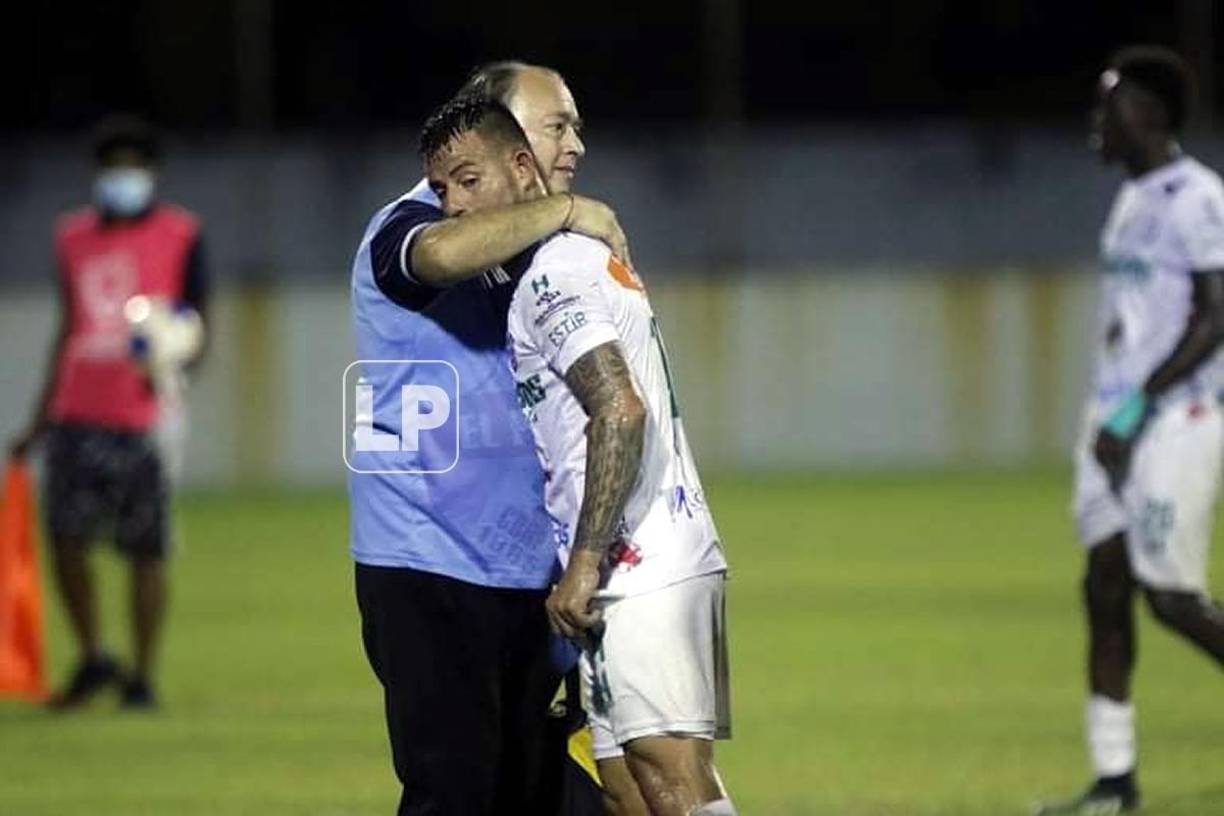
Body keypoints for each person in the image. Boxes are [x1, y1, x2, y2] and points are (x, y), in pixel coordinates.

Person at [420, 96, 735, 816]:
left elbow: (618, 408)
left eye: (468, 181)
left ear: (521, 168)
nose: (453, 203)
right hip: (637, 559)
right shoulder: (556, 261)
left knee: (671, 783)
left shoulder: (554, 273)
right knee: (626, 789)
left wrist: (586, 562)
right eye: (441, 190)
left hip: (640, 562)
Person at [349, 62, 643, 815]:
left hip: (531, 572)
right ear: (501, 136)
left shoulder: (543, 250)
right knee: (455, 793)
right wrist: (568, 211)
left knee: (543, 790)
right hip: (428, 567)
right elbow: (443, 256)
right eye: (556, 125)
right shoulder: (408, 223)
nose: (574, 143)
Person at [1038, 46, 1224, 814]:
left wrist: (1137, 405)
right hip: (1113, 421)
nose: (1096, 123)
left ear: (1143, 113)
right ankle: (1115, 781)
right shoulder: (1132, 197)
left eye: (1105, 107)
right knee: (1103, 586)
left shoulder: (1197, 197)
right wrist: (1109, 410)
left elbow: (1216, 316)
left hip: (1174, 417)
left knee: (1171, 597)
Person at [9, 114, 209, 710]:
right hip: (77, 410)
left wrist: (174, 370)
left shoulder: (180, 234)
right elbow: (68, 327)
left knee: (144, 548)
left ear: (150, 172)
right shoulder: (71, 237)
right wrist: (40, 418)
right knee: (67, 539)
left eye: (133, 166)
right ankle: (94, 657)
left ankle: (143, 675)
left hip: (144, 416)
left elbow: (198, 321)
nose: (123, 177)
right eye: (112, 167)